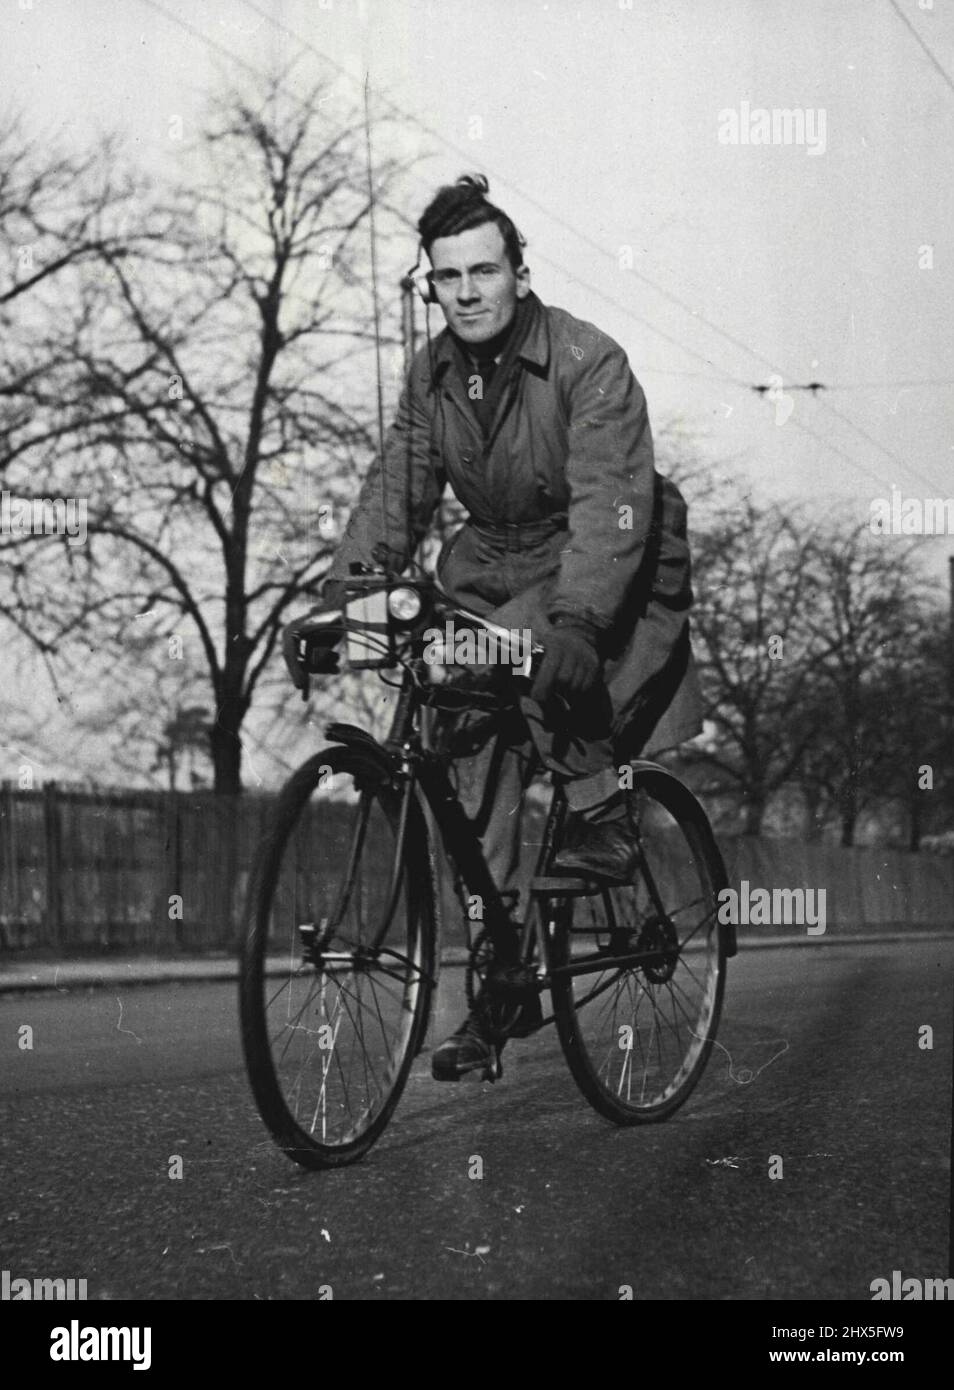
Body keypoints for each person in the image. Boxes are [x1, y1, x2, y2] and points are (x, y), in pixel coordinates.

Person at [285, 174, 703, 1080]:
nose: (467, 292)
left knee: (528, 661)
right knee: (457, 732)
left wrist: (582, 622)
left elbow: (611, 510)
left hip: (611, 564)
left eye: (484, 271)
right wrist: (344, 597)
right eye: (448, 277)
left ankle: (604, 817)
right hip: (498, 565)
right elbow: (395, 490)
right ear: (429, 284)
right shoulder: (433, 372)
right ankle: (503, 967)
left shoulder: (589, 362)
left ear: (519, 272)